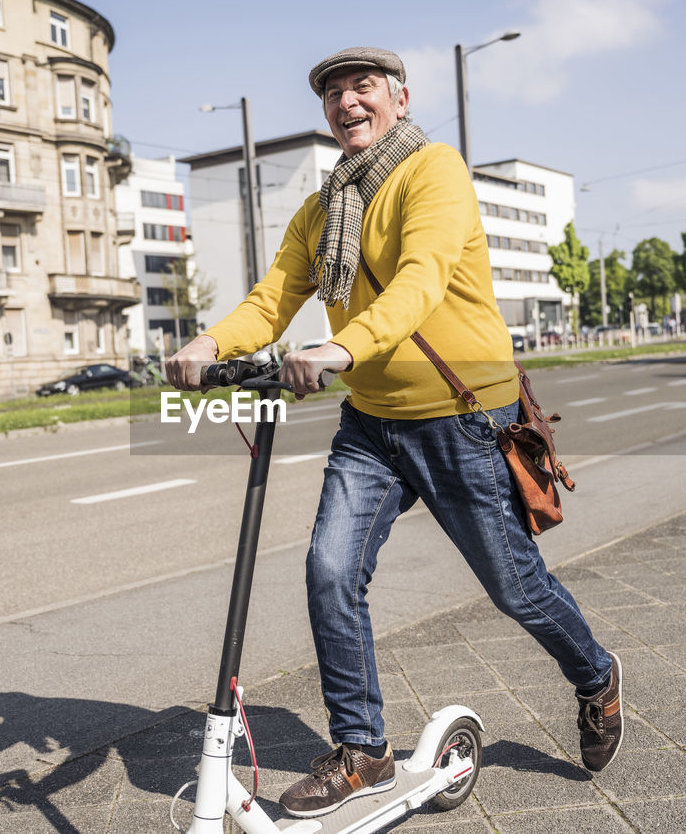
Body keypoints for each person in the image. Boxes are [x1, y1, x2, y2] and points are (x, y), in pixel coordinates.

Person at [166, 47, 622, 819]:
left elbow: (422, 277)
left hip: (463, 417)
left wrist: (342, 345)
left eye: (363, 87)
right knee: (328, 569)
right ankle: (363, 750)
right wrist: (212, 342)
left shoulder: (433, 172)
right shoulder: (322, 210)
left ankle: (597, 673)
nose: (348, 101)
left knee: (514, 586)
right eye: (334, 93)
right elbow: (274, 296)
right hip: (373, 423)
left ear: (399, 99)